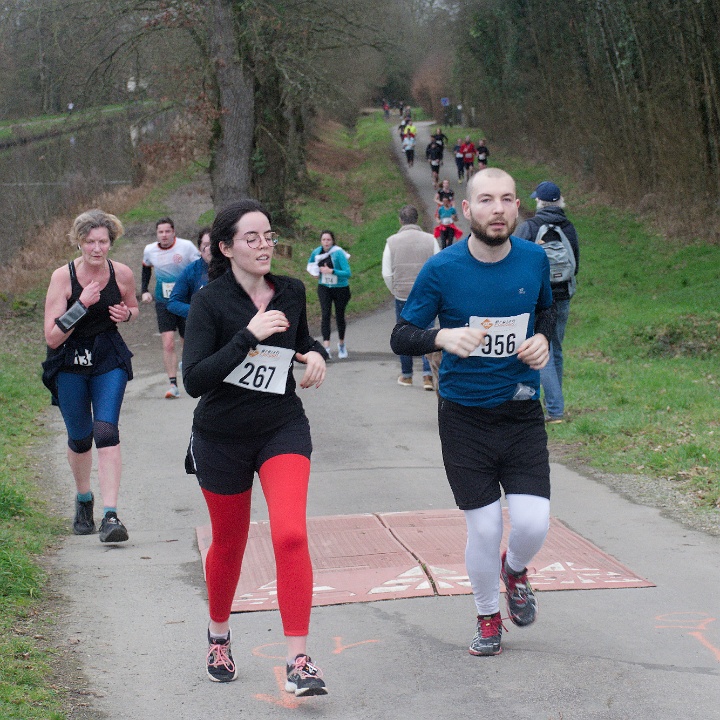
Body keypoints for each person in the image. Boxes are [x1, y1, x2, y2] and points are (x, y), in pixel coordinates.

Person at [390, 168, 556, 657]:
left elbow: (547, 311)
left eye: (507, 199)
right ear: (466, 209)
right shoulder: (442, 269)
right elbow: (402, 335)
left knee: (533, 523)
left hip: (520, 411)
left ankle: (514, 570)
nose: (497, 209)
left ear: (518, 207)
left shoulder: (534, 259)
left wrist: (543, 339)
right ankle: (487, 616)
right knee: (484, 528)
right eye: (486, 200)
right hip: (464, 417)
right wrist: (441, 336)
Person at [182, 199, 329, 693]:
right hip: (221, 437)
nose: (264, 245)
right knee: (230, 542)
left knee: (291, 535)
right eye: (252, 238)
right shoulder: (209, 302)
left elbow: (303, 341)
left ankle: (298, 660)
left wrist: (316, 355)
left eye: (268, 235)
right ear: (226, 248)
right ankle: (218, 634)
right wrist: (247, 335)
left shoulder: (290, 290)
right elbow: (195, 379)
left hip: (280, 428)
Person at [42, 209, 139, 543]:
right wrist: (81, 305)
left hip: (107, 356)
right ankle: (84, 499)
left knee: (106, 430)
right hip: (69, 360)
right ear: (79, 242)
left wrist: (127, 315)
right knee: (81, 438)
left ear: (111, 242)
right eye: (90, 242)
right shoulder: (63, 278)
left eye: (103, 242)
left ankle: (111, 516)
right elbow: (52, 337)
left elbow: (133, 307)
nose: (97, 249)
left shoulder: (122, 273)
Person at [514, 181, 579, 423]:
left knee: (544, 351)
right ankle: (556, 404)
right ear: (560, 201)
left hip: (538, 298)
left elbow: (516, 261)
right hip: (563, 295)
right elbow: (576, 263)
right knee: (556, 349)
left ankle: (554, 408)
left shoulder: (530, 227)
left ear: (540, 202)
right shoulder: (568, 227)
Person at [382, 205, 440, 390]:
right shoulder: (430, 240)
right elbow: (438, 267)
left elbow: (387, 273)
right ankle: (428, 375)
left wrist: (395, 290)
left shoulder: (391, 242)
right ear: (417, 220)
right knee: (427, 332)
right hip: (426, 296)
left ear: (401, 220)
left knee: (403, 333)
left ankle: (406, 375)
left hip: (402, 294)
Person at [141, 217, 200, 398]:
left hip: (184, 301)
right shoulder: (150, 250)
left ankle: (191, 372)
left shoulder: (186, 247)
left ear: (173, 232)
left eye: (167, 231)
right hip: (163, 301)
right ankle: (173, 384)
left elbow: (200, 267)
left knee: (187, 341)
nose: (164, 235)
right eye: (161, 232)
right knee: (167, 342)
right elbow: (146, 268)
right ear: (156, 234)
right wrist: (144, 290)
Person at [306, 230, 352, 359]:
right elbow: (310, 265)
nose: (326, 242)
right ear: (321, 241)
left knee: (339, 316)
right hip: (324, 287)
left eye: (328, 240)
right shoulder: (316, 252)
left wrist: (332, 271)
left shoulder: (338, 253)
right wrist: (315, 273)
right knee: (325, 314)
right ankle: (326, 348)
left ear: (333, 241)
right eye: (323, 240)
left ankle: (341, 344)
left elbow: (348, 273)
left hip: (340, 288)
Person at [167, 227, 211, 319]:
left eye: (214, 244)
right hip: (201, 323)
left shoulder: (232, 268)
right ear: (199, 249)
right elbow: (173, 303)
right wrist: (199, 311)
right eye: (206, 245)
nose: (210, 248)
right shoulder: (190, 271)